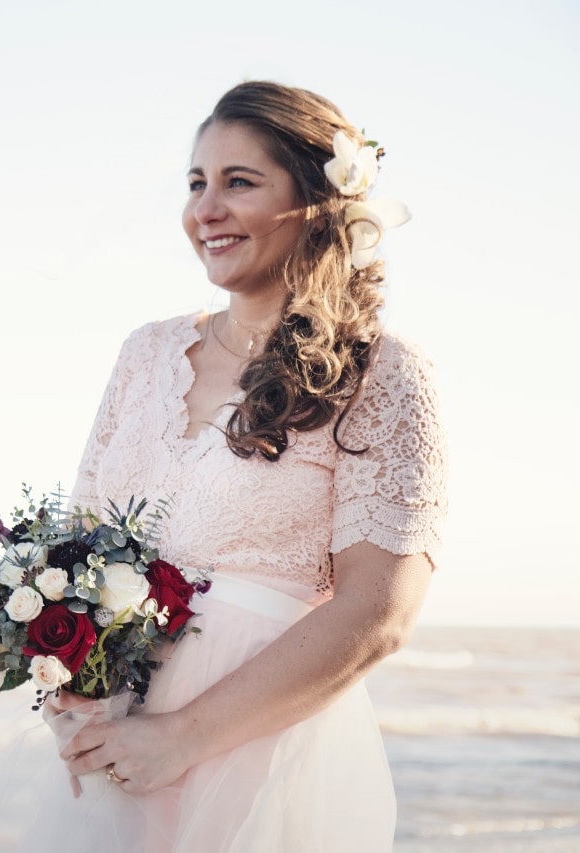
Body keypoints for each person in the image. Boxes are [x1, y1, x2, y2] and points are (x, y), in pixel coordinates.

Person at [35, 80, 448, 852]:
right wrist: (71, 697)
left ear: (318, 200)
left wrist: (181, 738)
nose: (205, 210)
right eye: (196, 183)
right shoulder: (144, 354)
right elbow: (74, 554)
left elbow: (379, 612)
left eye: (239, 182)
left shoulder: (382, 372)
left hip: (259, 761)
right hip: (115, 751)